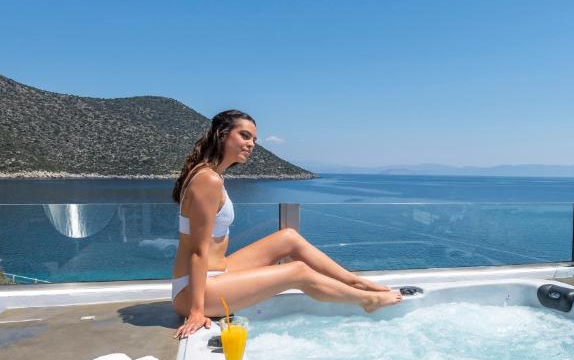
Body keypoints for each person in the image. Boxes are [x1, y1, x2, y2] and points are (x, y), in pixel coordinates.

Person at [171, 110, 402, 339]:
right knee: (297, 271)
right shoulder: (207, 179)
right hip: (193, 291)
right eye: (244, 135)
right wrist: (197, 312)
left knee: (288, 237)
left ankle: (355, 281)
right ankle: (367, 300)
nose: (251, 144)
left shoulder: (212, 175)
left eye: (253, 139)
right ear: (222, 134)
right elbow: (198, 250)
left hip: (213, 273)